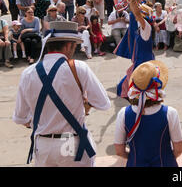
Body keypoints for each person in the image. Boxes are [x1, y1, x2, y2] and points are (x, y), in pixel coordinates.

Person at [13, 21, 111, 167]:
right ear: (69, 45)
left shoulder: (28, 73)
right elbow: (104, 104)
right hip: (70, 142)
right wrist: (85, 106)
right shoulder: (78, 67)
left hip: (43, 144)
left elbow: (21, 118)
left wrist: (44, 121)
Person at [114, 60, 182, 167]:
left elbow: (119, 150)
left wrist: (133, 158)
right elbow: (178, 149)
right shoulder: (170, 113)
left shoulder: (123, 114)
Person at [115, 0, 155, 99]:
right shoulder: (141, 25)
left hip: (143, 62)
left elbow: (137, 13)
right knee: (126, 84)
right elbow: (136, 11)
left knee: (137, 87)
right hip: (140, 59)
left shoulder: (146, 26)